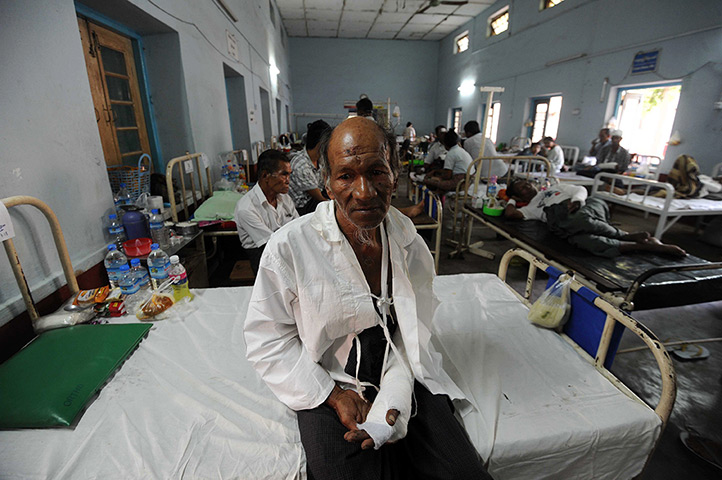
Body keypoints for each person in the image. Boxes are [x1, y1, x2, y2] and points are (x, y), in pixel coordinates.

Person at [244, 116, 491, 480]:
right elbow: (268, 340)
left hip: (400, 367)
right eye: (346, 175)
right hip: (326, 378)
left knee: (463, 473)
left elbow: (413, 328)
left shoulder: (407, 239)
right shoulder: (290, 248)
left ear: (395, 174)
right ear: (326, 184)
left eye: (377, 171)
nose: (365, 191)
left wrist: (395, 392)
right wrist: (334, 395)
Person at [504, 179, 686, 258]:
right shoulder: (530, 208)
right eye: (522, 189)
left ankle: (625, 236)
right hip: (567, 222)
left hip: (587, 205)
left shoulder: (554, 188)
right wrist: (509, 197)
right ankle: (648, 245)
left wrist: (577, 201)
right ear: (520, 198)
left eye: (527, 183)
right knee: (584, 241)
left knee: (577, 220)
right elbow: (510, 214)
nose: (528, 187)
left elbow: (580, 190)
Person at [234, 149, 299, 273]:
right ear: (265, 176)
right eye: (284, 174)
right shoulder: (247, 208)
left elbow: (298, 227)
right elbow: (271, 246)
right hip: (263, 256)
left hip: (285, 249)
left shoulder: (284, 198)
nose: (288, 180)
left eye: (289, 175)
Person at [289, 119, 330, 215]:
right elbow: (319, 198)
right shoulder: (301, 165)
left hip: (314, 200)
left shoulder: (320, 160)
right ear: (321, 144)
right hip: (302, 209)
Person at [423, 129, 475, 193]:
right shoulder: (460, 150)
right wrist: (435, 171)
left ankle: (435, 199)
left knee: (427, 181)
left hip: (459, 183)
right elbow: (449, 171)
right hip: (469, 180)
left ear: (445, 143)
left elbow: (447, 176)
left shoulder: (451, 154)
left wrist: (436, 177)